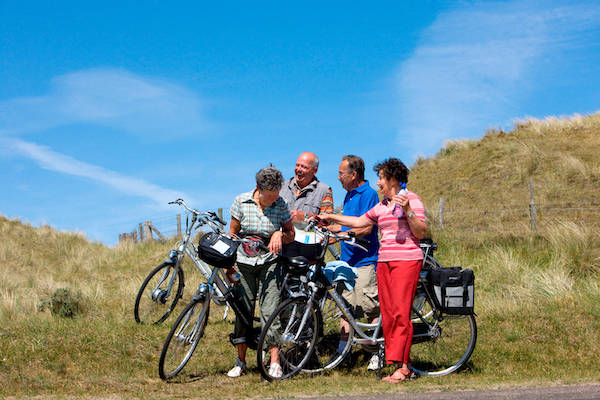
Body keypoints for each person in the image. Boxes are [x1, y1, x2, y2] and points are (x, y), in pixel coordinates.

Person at [316, 158, 427, 383]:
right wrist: (331, 217)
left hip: (406, 261)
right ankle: (397, 363)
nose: (378, 183)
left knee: (400, 314)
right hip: (385, 262)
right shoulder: (383, 205)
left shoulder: (412, 199)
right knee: (389, 314)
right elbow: (358, 221)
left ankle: (404, 367)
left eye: (382, 178)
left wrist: (407, 210)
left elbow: (421, 232)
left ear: (393, 179)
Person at [226, 166, 295, 378]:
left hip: (269, 262)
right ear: (258, 189)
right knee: (243, 310)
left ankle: (274, 361)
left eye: (276, 196)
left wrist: (279, 234)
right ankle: (241, 361)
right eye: (268, 197)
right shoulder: (241, 201)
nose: (273, 200)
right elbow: (232, 233)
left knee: (270, 309)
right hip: (243, 262)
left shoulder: (280, 204)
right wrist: (230, 264)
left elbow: (291, 233)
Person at [331, 155, 381, 370]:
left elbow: (366, 228)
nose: (338, 177)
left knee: (370, 309)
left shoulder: (369, 194)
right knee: (345, 307)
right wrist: (325, 227)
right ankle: (342, 352)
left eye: (341, 173)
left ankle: (377, 353)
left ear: (353, 175)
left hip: (365, 261)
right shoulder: (349, 196)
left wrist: (343, 232)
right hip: (346, 262)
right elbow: (344, 227)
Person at [279, 151, 334, 227]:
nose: (299, 169)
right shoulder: (280, 186)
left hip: (307, 238)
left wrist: (305, 217)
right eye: (297, 165)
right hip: (279, 236)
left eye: (304, 167)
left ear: (315, 171)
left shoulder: (324, 190)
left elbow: (327, 221)